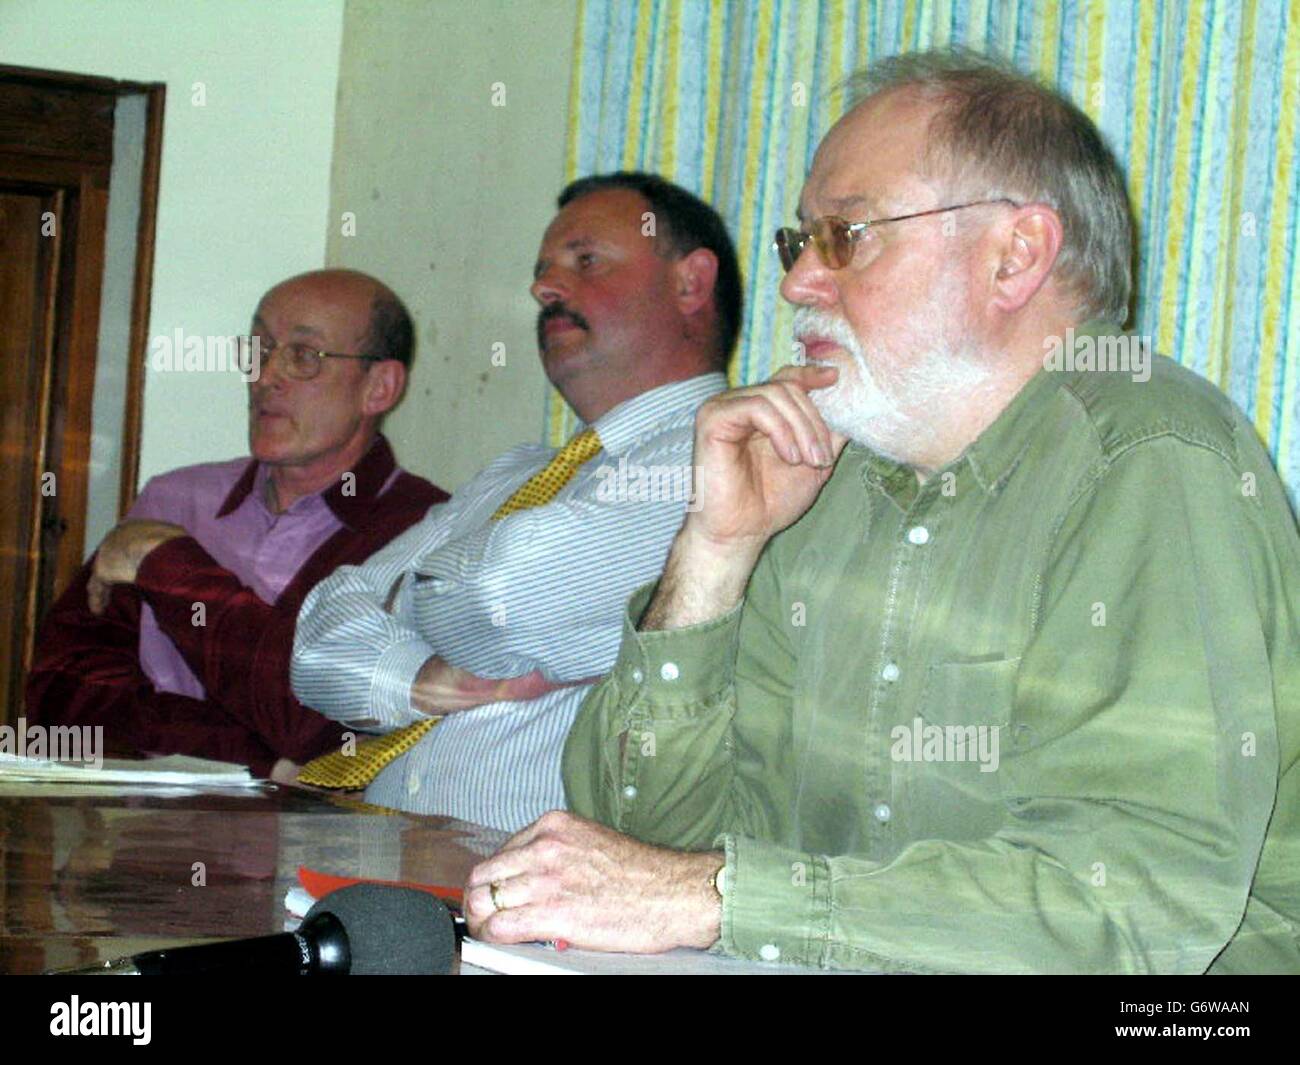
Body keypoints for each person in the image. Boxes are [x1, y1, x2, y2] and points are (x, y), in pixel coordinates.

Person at [462, 50, 1300, 974]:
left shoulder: (1151, 458)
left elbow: (1132, 903)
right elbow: (635, 841)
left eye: (846, 237)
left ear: (1015, 255)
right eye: (799, 242)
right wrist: (714, 554)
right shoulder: (825, 474)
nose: (796, 284)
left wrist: (718, 897)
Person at [290, 172, 742, 831]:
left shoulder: (724, 454)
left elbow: (507, 603)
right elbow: (316, 638)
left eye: (585, 261)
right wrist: (418, 674)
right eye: (543, 271)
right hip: (377, 859)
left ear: (690, 283)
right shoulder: (520, 471)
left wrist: (396, 606)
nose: (543, 288)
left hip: (533, 900)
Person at [26, 269, 447, 780]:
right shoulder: (176, 499)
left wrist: (165, 564)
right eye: (259, 350)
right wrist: (252, 757)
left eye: (303, 356)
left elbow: (325, 726)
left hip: (304, 854)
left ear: (379, 387)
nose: (266, 375)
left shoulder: (423, 531)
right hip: (139, 843)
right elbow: (57, 693)